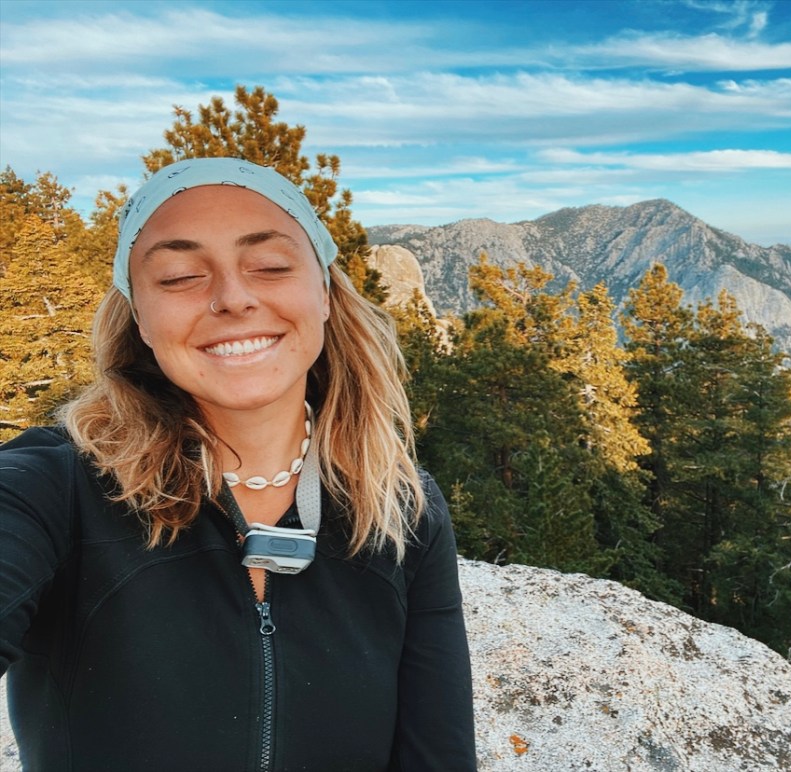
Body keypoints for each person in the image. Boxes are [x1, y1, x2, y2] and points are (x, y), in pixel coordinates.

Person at [0, 158, 477, 771]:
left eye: (270, 266)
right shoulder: (53, 487)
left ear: (325, 293)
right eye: (179, 277)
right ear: (140, 317)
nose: (233, 298)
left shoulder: (401, 510)